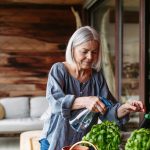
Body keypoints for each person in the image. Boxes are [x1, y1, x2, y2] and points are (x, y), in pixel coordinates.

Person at [39, 26, 145, 150]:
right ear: (73, 49)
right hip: (54, 141)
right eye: (84, 51)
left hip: (83, 145)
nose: (90, 57)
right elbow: (55, 103)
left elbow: (107, 111)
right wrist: (86, 101)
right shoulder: (59, 70)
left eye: (94, 52)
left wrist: (125, 108)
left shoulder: (97, 77)